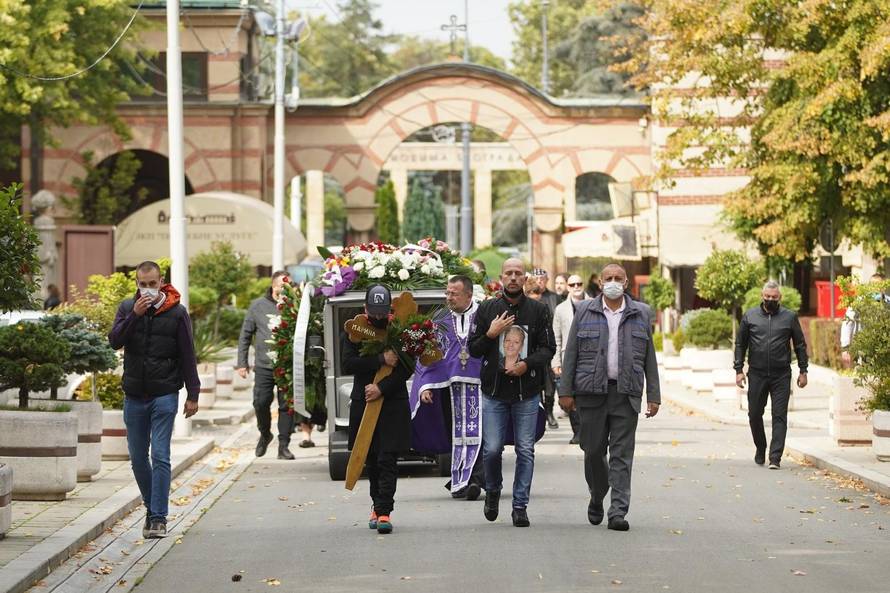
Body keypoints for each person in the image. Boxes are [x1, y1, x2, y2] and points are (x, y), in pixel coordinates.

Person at [559, 263, 660, 532]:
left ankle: (618, 511)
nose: (613, 282)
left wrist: (654, 395)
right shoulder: (584, 311)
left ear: (626, 283)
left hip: (626, 393)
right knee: (592, 451)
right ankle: (597, 495)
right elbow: (571, 355)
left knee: (622, 456)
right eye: (608, 278)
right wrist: (565, 391)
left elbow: (649, 357)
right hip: (591, 393)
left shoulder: (641, 313)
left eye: (618, 278)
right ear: (600, 283)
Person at [108, 260, 200, 539]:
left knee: (160, 454)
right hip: (134, 394)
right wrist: (134, 316)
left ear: (161, 282)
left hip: (165, 393)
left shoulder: (177, 312)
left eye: (152, 284)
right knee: (137, 458)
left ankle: (158, 518)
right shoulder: (127, 308)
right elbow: (114, 341)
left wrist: (193, 394)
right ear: (137, 283)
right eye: (142, 284)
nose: (147, 289)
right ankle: (152, 506)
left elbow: (187, 353)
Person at [469, 258, 556, 528]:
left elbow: (547, 348)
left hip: (526, 392)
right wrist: (492, 333)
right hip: (494, 392)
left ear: (525, 278)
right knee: (492, 450)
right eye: (509, 273)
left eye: (519, 273)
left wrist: (526, 364)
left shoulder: (538, 311)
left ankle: (520, 505)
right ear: (501, 277)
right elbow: (473, 349)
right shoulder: (486, 309)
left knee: (525, 450)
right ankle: (493, 490)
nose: (514, 278)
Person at [342, 285, 414, 535]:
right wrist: (380, 360)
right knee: (371, 457)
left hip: (392, 402)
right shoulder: (354, 330)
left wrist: (381, 388)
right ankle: (376, 504)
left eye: (383, 312)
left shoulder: (400, 331)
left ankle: (385, 511)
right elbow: (348, 362)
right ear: (365, 308)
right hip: (365, 401)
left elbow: (406, 368)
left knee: (387, 457)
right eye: (374, 311)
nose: (379, 317)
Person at [412, 275, 485, 500]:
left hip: (481, 386)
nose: (449, 297)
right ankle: (460, 480)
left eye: (454, 293)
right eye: (447, 293)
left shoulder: (484, 314)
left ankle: (475, 480)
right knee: (456, 434)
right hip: (449, 387)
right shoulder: (440, 318)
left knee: (480, 434)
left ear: (469, 295)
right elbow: (428, 353)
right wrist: (424, 385)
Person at [734, 280, 809, 469]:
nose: (770, 300)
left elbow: (800, 344)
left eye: (774, 298)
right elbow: (740, 344)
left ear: (780, 298)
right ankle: (761, 447)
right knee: (754, 414)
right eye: (767, 297)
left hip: (781, 375)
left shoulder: (789, 317)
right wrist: (738, 370)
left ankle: (775, 457)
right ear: (762, 296)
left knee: (779, 416)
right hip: (757, 374)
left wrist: (803, 370)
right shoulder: (750, 316)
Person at [236, 271, 296, 460]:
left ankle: (283, 445)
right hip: (263, 365)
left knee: (287, 407)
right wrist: (242, 363)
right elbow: (245, 335)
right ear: (273, 286)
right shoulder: (257, 306)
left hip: (287, 366)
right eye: (281, 285)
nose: (284, 290)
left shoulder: (295, 305)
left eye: (288, 286)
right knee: (260, 402)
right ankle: (265, 434)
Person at [552, 274, 587, 445]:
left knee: (587, 396)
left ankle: (590, 431)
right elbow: (556, 338)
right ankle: (578, 432)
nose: (576, 286)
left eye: (579, 283)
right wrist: (556, 362)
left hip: (590, 357)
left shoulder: (595, 303)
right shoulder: (560, 309)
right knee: (569, 396)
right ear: (567, 287)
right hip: (567, 358)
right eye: (572, 284)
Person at [841, 273, 888, 367]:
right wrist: (846, 347)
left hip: (883, 350)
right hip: (863, 349)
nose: (876, 288)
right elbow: (848, 322)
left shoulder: (887, 302)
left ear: (884, 287)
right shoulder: (859, 302)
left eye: (879, 285)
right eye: (873, 285)